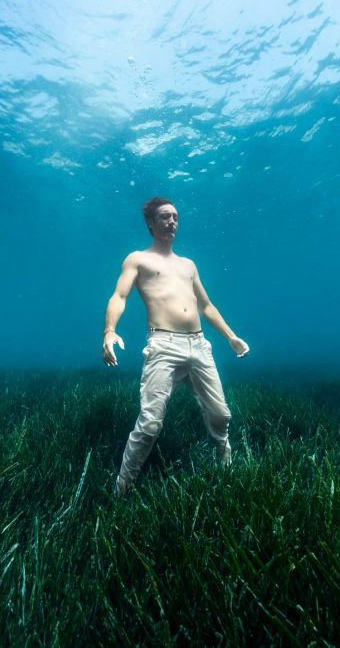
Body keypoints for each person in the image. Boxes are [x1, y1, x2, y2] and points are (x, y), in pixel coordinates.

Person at [103, 197, 250, 495]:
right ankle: (121, 490)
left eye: (176, 217)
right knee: (150, 425)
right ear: (150, 222)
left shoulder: (188, 265)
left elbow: (206, 306)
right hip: (163, 345)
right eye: (165, 216)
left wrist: (230, 336)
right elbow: (119, 296)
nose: (172, 221)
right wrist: (109, 331)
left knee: (221, 416)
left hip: (199, 345)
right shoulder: (138, 259)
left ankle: (227, 471)